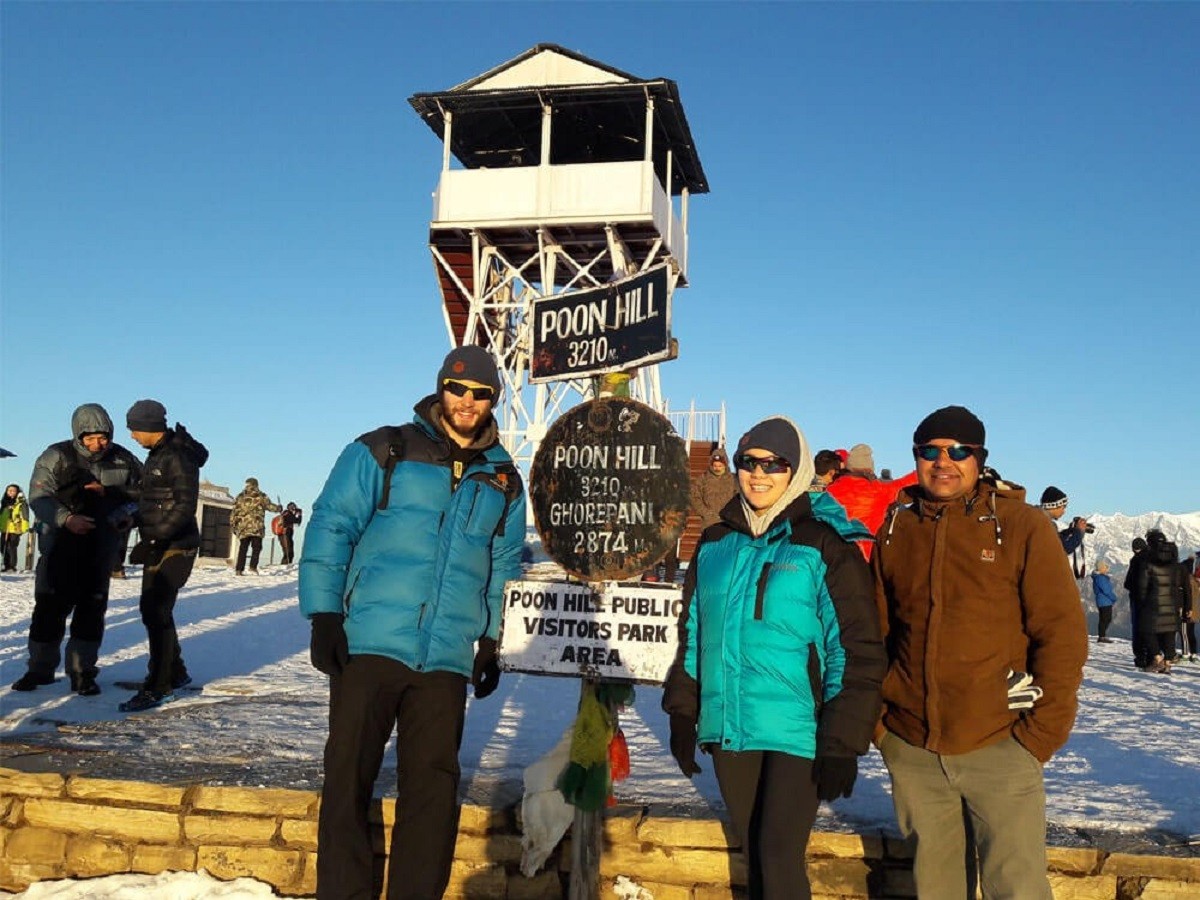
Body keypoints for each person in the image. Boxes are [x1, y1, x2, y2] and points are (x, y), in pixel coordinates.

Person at [299, 345, 525, 900]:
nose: (466, 401)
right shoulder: (385, 449)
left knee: (433, 790)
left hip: (445, 654)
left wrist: (494, 637)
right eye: (457, 388)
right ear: (440, 388)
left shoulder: (503, 478)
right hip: (370, 642)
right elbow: (331, 527)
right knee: (348, 778)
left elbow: (504, 563)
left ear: (493, 399)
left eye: (479, 393)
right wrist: (324, 614)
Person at [663, 416, 884, 900]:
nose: (758, 474)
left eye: (774, 463)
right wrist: (683, 710)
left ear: (797, 469)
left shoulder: (824, 543)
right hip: (732, 727)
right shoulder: (716, 543)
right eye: (748, 462)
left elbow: (855, 648)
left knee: (778, 856)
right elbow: (694, 633)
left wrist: (843, 741)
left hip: (797, 731)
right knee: (755, 855)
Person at [872, 405, 1087, 899]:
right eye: (930, 451)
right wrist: (882, 728)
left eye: (959, 451)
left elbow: (1061, 634)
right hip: (914, 746)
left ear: (980, 458)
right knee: (936, 890)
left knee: (1017, 889)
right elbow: (878, 631)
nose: (943, 461)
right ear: (916, 457)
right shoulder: (897, 527)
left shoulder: (1020, 525)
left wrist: (1039, 736)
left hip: (1000, 741)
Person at [13, 404, 142, 695]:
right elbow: (39, 496)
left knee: (91, 612)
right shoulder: (55, 456)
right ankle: (39, 670)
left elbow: (143, 495)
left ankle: (82, 672)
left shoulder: (124, 459)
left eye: (103, 437)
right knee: (48, 610)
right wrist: (66, 519)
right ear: (78, 435)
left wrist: (128, 515)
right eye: (90, 438)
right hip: (59, 547)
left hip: (100, 550)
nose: (97, 444)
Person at [118, 400, 209, 712]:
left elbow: (184, 506)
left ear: (148, 427)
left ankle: (159, 686)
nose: (131, 436)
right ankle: (176, 671)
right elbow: (153, 496)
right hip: (161, 542)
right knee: (153, 610)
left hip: (176, 545)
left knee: (156, 611)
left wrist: (155, 537)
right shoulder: (158, 455)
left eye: (133, 429)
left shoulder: (177, 457)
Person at [824, 442, 917, 560]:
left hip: (829, 559)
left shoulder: (828, 491)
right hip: (863, 560)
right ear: (868, 469)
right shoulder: (877, 491)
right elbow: (907, 483)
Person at [1136, 529, 1187, 674]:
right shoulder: (1175, 564)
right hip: (1172, 603)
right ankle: (1168, 663)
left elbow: (1142, 587)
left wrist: (1143, 600)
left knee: (1146, 629)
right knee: (1169, 631)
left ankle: (1157, 659)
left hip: (1152, 603)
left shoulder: (1148, 563)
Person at [230, 477, 281, 575]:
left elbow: (234, 512)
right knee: (256, 547)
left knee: (243, 548)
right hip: (257, 526)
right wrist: (278, 508)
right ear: (256, 484)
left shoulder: (240, 496)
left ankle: (239, 569)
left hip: (243, 527)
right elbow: (269, 506)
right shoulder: (261, 495)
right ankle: (253, 567)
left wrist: (233, 525)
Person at [689, 447, 737, 529]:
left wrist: (731, 513)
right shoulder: (702, 479)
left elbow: (739, 498)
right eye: (715, 465)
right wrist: (706, 513)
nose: (717, 468)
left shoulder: (734, 479)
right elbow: (694, 497)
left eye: (720, 466)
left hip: (729, 523)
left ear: (725, 465)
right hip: (709, 524)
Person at [1039, 486, 1090, 555]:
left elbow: (1056, 541)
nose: (1064, 512)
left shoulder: (1039, 519)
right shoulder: (1043, 523)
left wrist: (1069, 531)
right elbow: (1063, 549)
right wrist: (1079, 532)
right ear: (1055, 505)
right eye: (1063, 507)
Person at [1125, 537, 1151, 669]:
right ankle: (1154, 655)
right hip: (1154, 600)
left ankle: (1141, 657)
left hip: (1138, 600)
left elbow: (1128, 583)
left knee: (1138, 628)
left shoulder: (1136, 560)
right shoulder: (1156, 558)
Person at [0, 484, 31, 572]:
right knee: (3, 546)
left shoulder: (21, 502)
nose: (10, 492)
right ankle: (6, 565)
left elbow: (25, 516)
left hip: (15, 528)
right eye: (9, 490)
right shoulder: (4, 502)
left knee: (12, 546)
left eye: (13, 490)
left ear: (17, 492)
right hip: (5, 528)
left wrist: (25, 528)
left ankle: (11, 566)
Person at [1091, 560, 1118, 643]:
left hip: (1102, 601)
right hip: (1105, 601)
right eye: (1106, 567)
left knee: (1104, 619)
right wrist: (1114, 598)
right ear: (1101, 568)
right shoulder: (1101, 578)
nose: (1107, 569)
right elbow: (1106, 590)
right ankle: (1102, 637)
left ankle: (1102, 636)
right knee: (1106, 619)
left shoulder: (1099, 577)